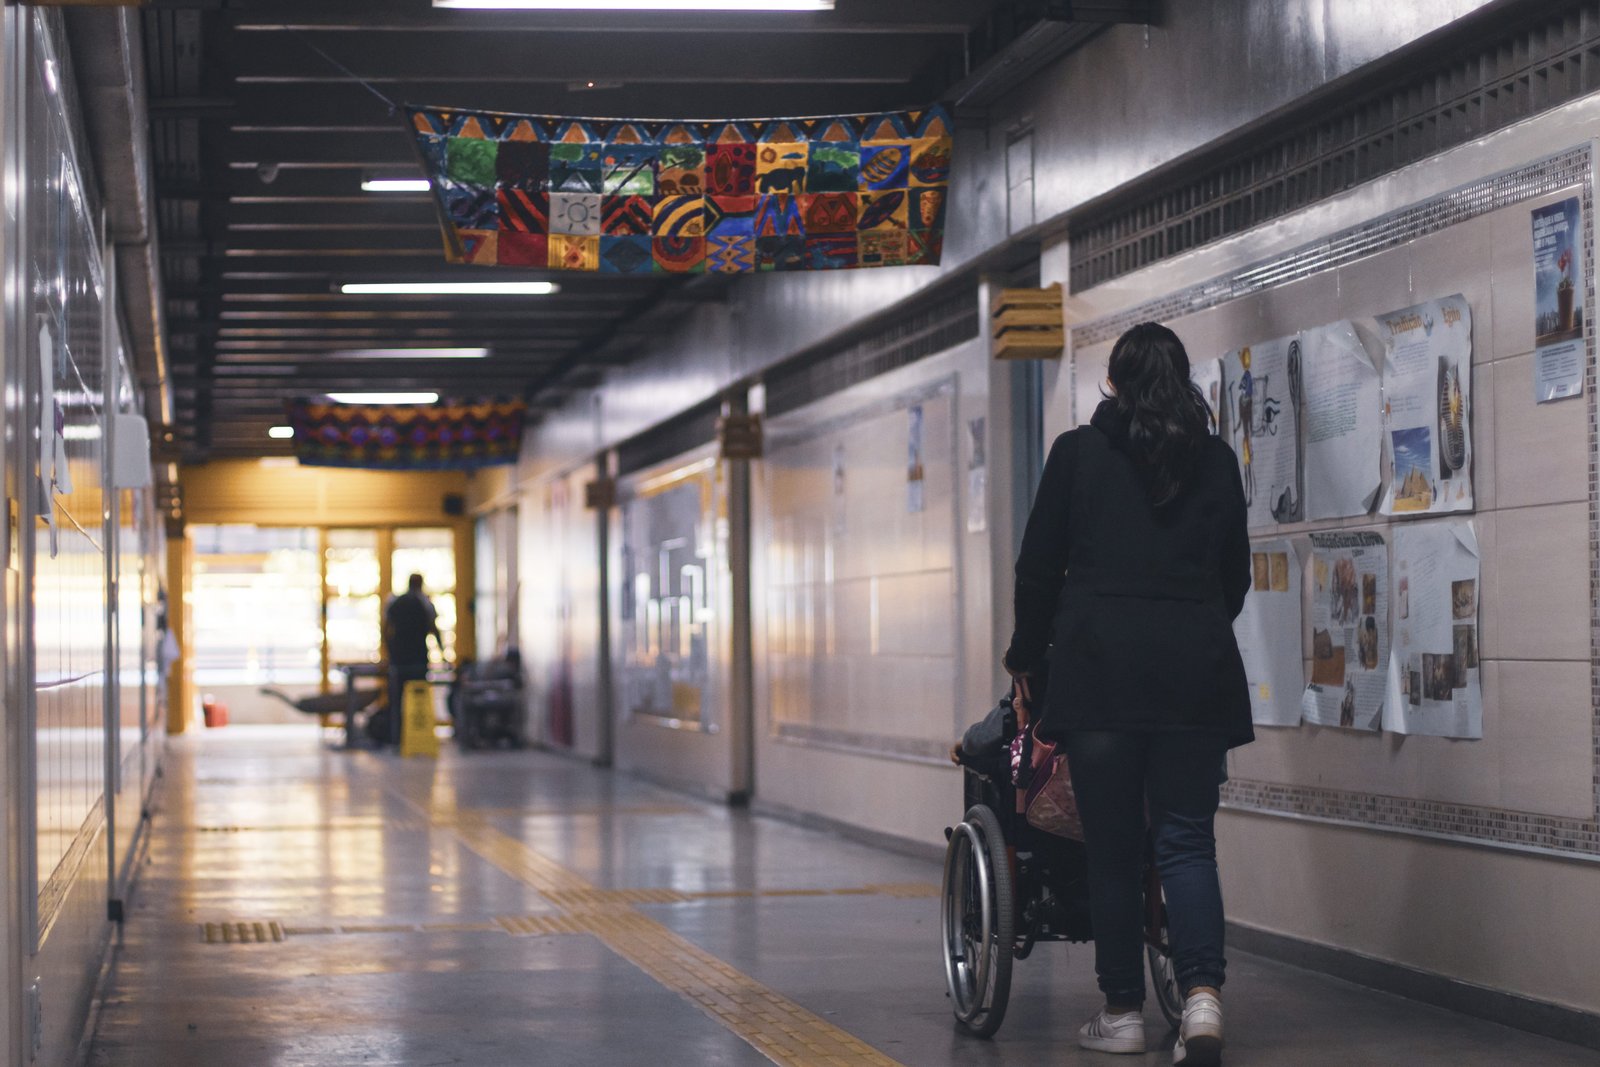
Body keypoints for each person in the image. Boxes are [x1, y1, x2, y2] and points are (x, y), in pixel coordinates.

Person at [1003, 322, 1252, 1066]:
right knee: (1185, 840)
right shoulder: (1215, 461)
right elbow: (1233, 575)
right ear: (1184, 381)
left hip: (1101, 673)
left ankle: (1122, 1013)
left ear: (1111, 382)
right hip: (1194, 679)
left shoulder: (1077, 455)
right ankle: (1201, 1000)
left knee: (1113, 852)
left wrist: (1027, 660)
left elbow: (1037, 571)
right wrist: (1190, 630)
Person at [380, 573, 444, 746]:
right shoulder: (424, 603)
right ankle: (418, 738)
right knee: (419, 700)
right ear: (421, 584)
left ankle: (397, 738)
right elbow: (433, 629)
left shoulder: (395, 603)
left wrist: (389, 652)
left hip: (399, 659)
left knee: (397, 700)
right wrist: (443, 652)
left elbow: (386, 629)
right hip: (418, 659)